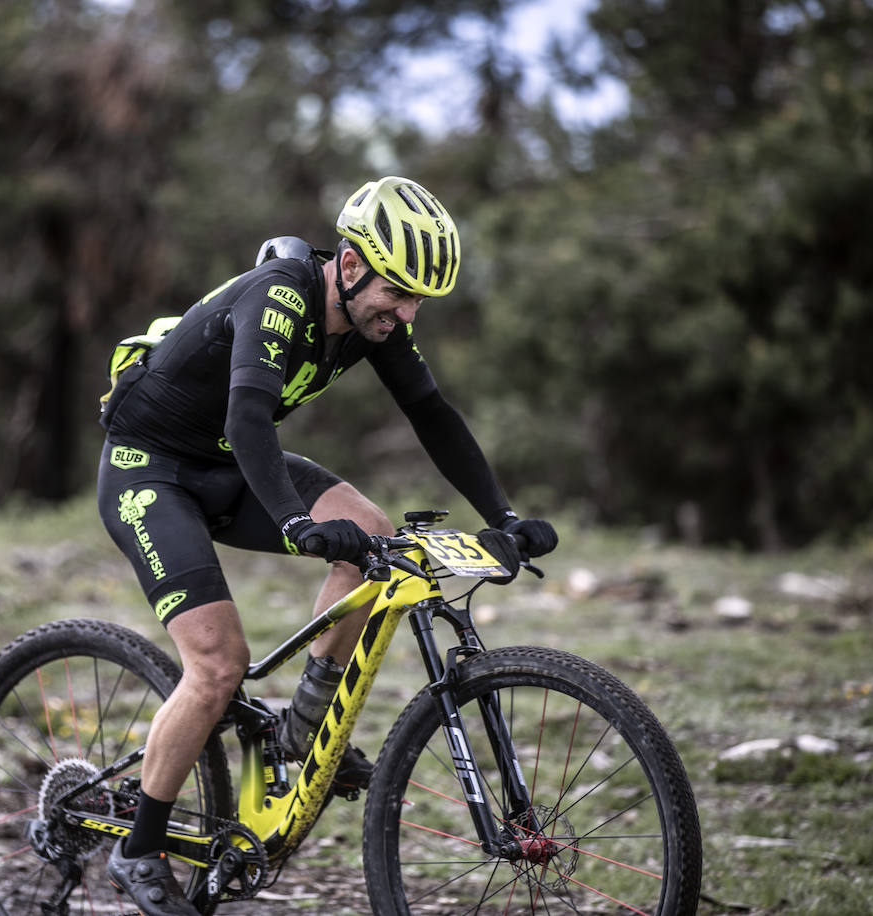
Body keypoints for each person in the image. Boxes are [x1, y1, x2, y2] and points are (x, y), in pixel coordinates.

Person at [95, 176, 559, 913]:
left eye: (418, 303)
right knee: (218, 666)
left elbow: (432, 413)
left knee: (375, 532)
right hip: (149, 469)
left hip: (224, 463)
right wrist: (293, 521)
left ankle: (302, 726)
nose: (405, 315)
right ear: (349, 265)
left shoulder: (375, 322)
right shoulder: (279, 293)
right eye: (397, 294)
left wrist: (503, 516)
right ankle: (138, 847)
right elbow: (249, 417)